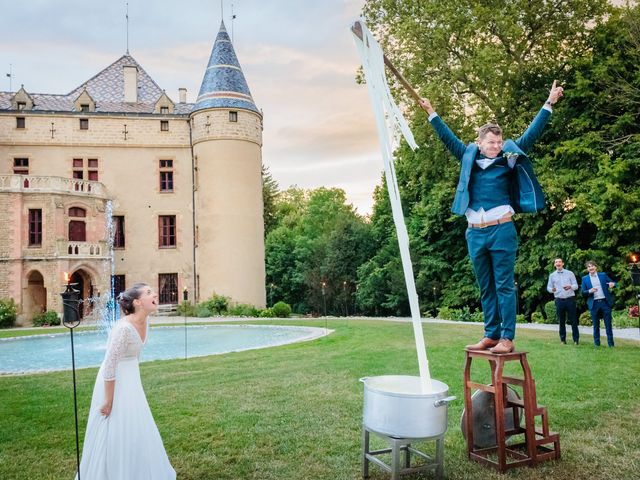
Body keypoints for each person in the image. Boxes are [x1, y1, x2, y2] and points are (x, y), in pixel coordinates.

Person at [420, 81, 564, 354]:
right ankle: (490, 334)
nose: (496, 146)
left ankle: (506, 338)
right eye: (491, 142)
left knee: (504, 285)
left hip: (501, 230)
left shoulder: (508, 157)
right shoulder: (467, 157)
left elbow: (531, 135)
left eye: (498, 142)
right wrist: (431, 112)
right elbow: (447, 137)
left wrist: (549, 103)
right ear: (479, 143)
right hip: (475, 231)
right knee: (485, 287)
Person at [77, 283, 176, 480]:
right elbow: (109, 366)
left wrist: (135, 382)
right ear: (138, 302)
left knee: (136, 424)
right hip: (113, 382)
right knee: (114, 425)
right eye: (149, 293)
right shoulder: (123, 328)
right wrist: (108, 400)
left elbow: (134, 357)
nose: (155, 293)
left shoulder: (145, 321)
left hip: (131, 380)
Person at [581, 261, 616, 347]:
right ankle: (597, 344)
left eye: (592, 266)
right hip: (594, 304)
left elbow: (614, 283)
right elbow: (583, 292)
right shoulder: (585, 279)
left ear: (596, 267)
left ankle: (611, 344)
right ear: (587, 269)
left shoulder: (603, 275)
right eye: (589, 267)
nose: (591, 268)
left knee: (608, 324)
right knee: (596, 325)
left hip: (605, 303)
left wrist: (613, 284)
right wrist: (590, 291)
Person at [546, 257, 580, 344]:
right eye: (556, 262)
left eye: (559, 262)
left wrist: (570, 286)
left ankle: (576, 340)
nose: (558, 263)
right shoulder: (552, 275)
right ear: (554, 264)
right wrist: (551, 290)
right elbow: (548, 287)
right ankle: (562, 340)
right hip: (559, 300)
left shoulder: (570, 273)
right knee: (561, 321)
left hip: (570, 299)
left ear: (563, 263)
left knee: (573, 320)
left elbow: (576, 286)